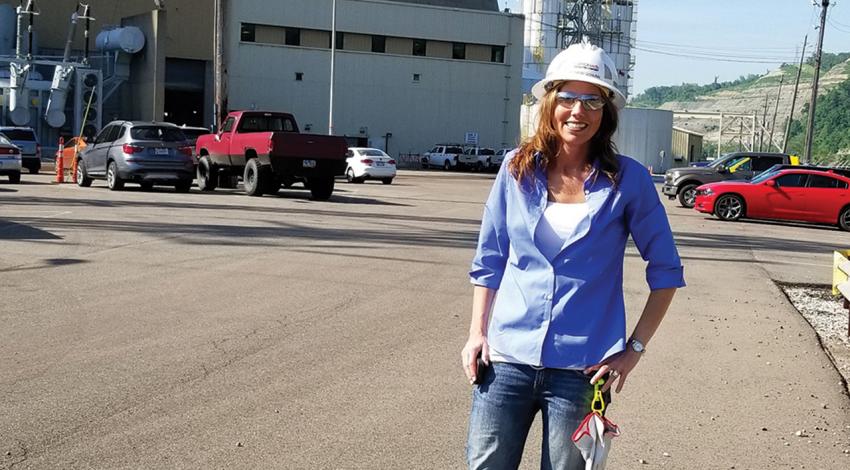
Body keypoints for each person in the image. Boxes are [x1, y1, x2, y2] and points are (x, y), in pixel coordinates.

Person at [461, 42, 686, 470]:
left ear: (607, 112)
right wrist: (477, 333)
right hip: (506, 359)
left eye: (592, 100)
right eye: (567, 97)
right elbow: (489, 259)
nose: (577, 111)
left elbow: (667, 271)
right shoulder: (515, 170)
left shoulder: (629, 181)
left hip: (582, 369)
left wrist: (634, 348)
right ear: (550, 102)